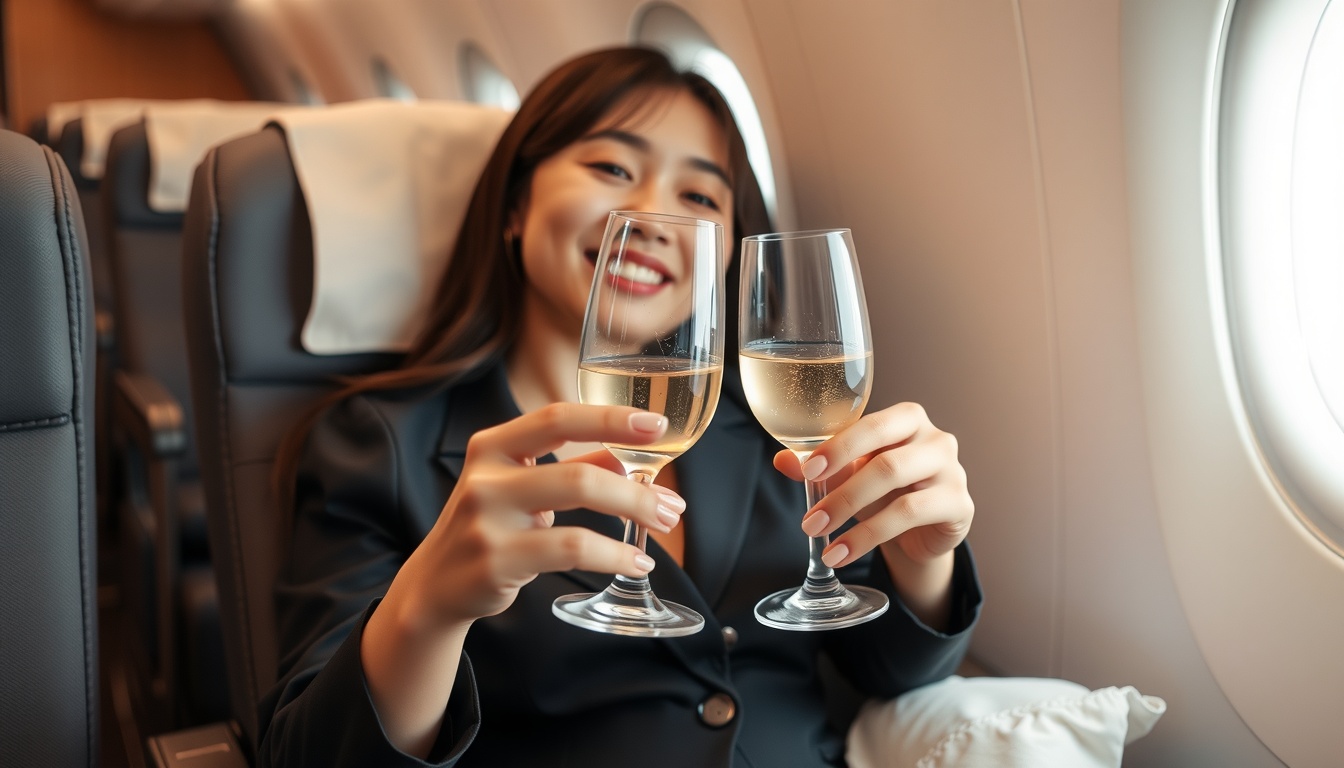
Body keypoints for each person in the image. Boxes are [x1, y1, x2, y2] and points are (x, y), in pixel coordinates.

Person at [260, 46, 981, 767]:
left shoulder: (767, 429)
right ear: (515, 207)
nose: (652, 215)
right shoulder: (379, 445)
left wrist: (923, 562)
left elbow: (894, 673)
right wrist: (428, 611)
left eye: (700, 197)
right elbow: (305, 757)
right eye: (611, 169)